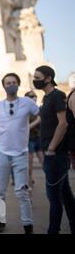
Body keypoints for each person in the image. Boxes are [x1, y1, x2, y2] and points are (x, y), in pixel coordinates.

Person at [0, 73, 39, 234]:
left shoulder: (28, 103)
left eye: (14, 82)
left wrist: (32, 126)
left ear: (18, 84)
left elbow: (42, 115)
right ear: (4, 86)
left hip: (21, 154)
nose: (11, 85)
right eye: (8, 83)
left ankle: (28, 225)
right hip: (2, 153)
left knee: (22, 191)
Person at [33, 65, 75, 234]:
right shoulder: (46, 98)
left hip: (55, 155)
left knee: (54, 197)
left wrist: (50, 149)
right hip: (52, 154)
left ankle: (53, 231)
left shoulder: (58, 95)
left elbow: (63, 123)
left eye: (37, 77)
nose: (35, 80)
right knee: (65, 195)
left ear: (48, 78)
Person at [24, 91, 43, 188]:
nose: (34, 98)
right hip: (29, 139)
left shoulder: (38, 110)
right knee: (29, 163)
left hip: (38, 138)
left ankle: (50, 180)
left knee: (43, 161)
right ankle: (29, 180)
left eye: (35, 96)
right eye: (31, 96)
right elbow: (25, 127)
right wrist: (37, 121)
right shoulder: (25, 111)